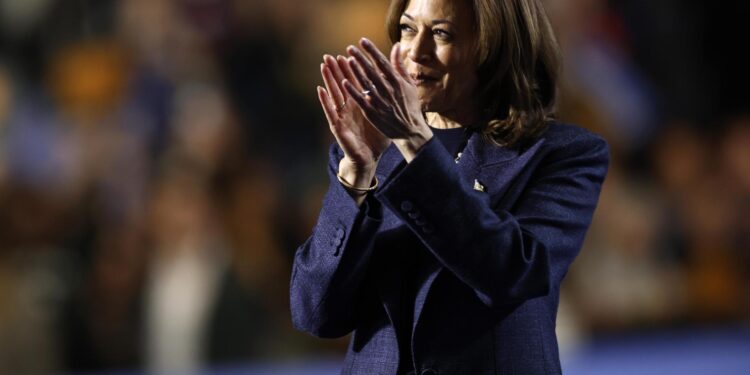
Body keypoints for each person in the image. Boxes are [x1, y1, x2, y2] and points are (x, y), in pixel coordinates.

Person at [290, 0, 609, 373]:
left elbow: (511, 276)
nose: (416, 50)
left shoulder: (563, 154)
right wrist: (357, 173)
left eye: (441, 33)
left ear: (495, 48)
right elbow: (315, 314)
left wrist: (414, 140)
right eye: (409, 29)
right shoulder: (368, 152)